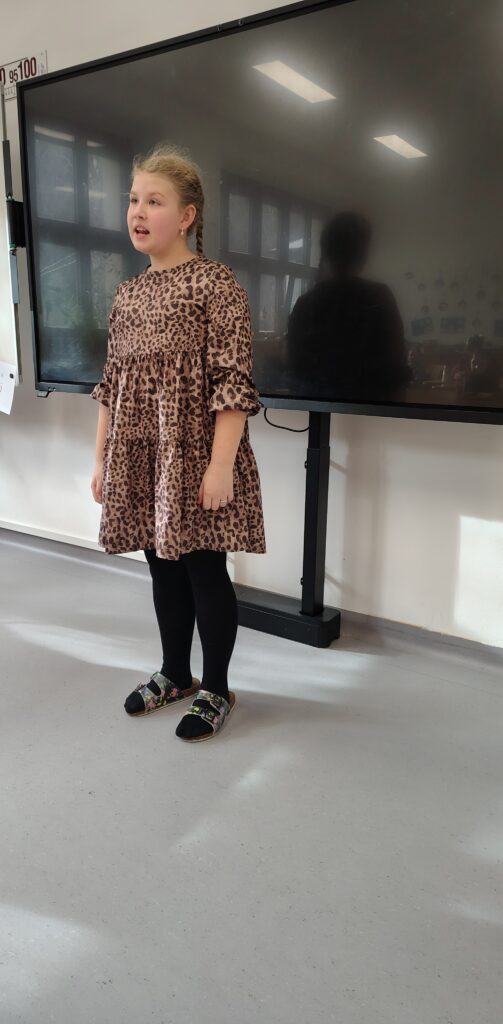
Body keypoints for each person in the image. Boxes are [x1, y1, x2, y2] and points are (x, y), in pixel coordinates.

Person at [90, 142, 266, 743]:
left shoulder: (216, 284)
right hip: (139, 455)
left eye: (154, 201)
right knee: (160, 565)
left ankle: (216, 687)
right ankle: (175, 673)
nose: (138, 212)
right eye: (133, 200)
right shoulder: (127, 294)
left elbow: (233, 383)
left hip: (195, 455)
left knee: (203, 568)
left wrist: (221, 467)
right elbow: (111, 384)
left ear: (187, 215)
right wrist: (101, 459)